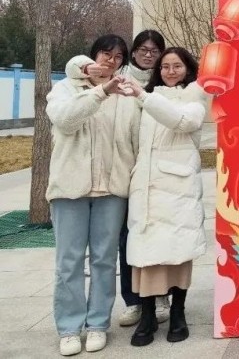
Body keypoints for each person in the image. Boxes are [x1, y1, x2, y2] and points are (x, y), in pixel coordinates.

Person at [65, 30, 171, 326]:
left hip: (155, 171)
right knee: (126, 240)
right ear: (132, 53)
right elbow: (76, 66)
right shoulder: (117, 79)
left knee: (157, 235)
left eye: (155, 50)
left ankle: (160, 295)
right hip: (124, 174)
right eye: (143, 49)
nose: (148, 55)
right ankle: (134, 301)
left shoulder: (166, 80)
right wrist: (86, 66)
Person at [46, 35, 141, 356]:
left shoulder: (126, 96)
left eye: (118, 56)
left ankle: (98, 323)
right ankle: (70, 328)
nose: (111, 60)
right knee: (69, 261)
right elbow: (65, 121)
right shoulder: (65, 89)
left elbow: (134, 142)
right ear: (92, 56)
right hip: (69, 189)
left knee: (104, 260)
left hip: (112, 191)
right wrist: (101, 92)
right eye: (106, 53)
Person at [121, 47, 207, 346]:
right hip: (146, 186)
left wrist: (144, 97)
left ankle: (178, 312)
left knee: (179, 253)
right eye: (165, 66)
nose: (171, 71)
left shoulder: (195, 95)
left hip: (179, 189)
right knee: (145, 257)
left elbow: (183, 121)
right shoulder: (146, 97)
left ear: (188, 69)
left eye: (177, 66)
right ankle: (147, 315)